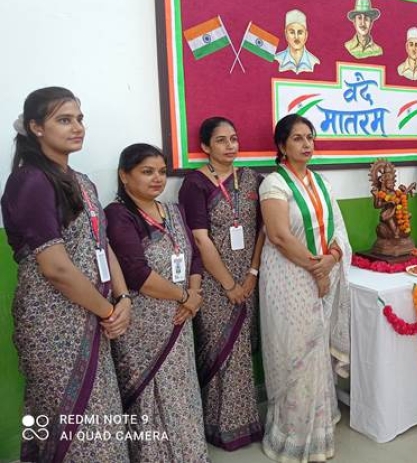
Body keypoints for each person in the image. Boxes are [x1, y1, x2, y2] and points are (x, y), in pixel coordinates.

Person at [0, 87, 130, 462]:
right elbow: (55, 268)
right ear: (36, 127)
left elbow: (102, 243)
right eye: (64, 119)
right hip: (53, 322)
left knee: (100, 422)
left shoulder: (82, 181)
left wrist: (123, 297)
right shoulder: (30, 181)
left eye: (79, 118)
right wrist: (109, 311)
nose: (77, 127)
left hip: (94, 314)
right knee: (76, 430)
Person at [105, 144, 209, 461]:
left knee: (182, 389)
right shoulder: (119, 214)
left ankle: (189, 453)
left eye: (162, 172)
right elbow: (137, 274)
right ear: (124, 176)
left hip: (180, 318)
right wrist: (185, 297)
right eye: (147, 171)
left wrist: (194, 295)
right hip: (143, 329)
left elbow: (195, 257)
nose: (157, 178)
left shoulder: (172, 210)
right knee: (151, 393)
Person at [258, 114, 351, 462]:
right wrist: (318, 269)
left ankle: (319, 430)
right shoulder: (273, 184)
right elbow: (280, 236)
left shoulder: (320, 181)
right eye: (297, 138)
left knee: (316, 352)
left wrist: (333, 259)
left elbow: (338, 228)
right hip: (288, 278)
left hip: (320, 273)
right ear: (282, 146)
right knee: (295, 352)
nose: (306, 144)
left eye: (309, 137)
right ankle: (293, 435)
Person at [179, 117, 264, 449]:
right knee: (220, 352)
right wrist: (229, 285)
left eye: (234, 138)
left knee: (242, 353)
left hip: (249, 280)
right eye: (221, 140)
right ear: (205, 146)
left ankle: (247, 423)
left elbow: (262, 230)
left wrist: (252, 273)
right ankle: (219, 428)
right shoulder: (195, 184)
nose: (230, 146)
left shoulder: (252, 179)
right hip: (215, 286)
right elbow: (200, 239)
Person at [274, 9, 320, 74]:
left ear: (306, 35)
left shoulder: (314, 62)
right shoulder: (277, 59)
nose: (296, 37)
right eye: (292, 32)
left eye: (300, 32)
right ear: (286, 34)